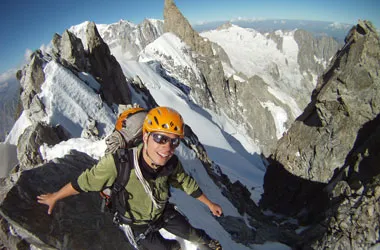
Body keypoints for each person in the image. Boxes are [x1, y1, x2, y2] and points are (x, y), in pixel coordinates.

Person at [37, 106, 223, 250]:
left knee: (191, 233)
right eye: (160, 138)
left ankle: (206, 242)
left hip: (161, 212)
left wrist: (209, 204)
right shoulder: (118, 164)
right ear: (146, 136)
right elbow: (82, 183)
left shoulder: (171, 163)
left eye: (174, 141)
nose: (167, 147)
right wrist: (55, 197)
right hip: (136, 223)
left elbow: (185, 183)